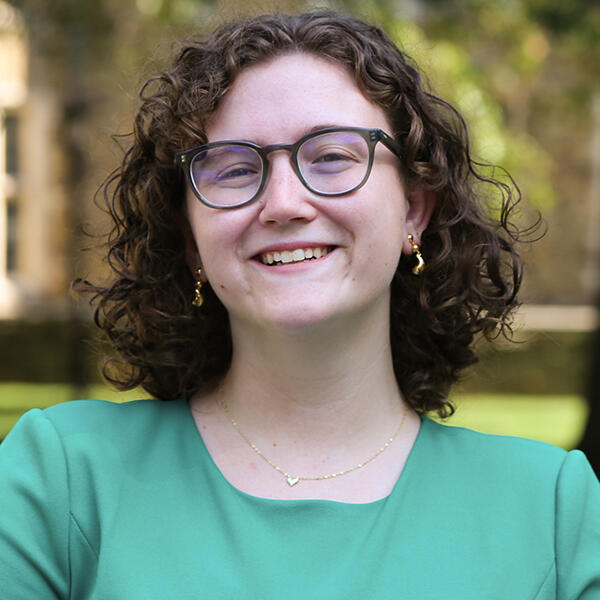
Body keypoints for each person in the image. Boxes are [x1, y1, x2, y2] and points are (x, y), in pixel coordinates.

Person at [1, 11, 598, 599]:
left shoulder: (553, 510)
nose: (284, 203)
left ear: (415, 209)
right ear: (190, 239)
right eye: (235, 168)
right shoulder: (62, 478)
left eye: (333, 156)